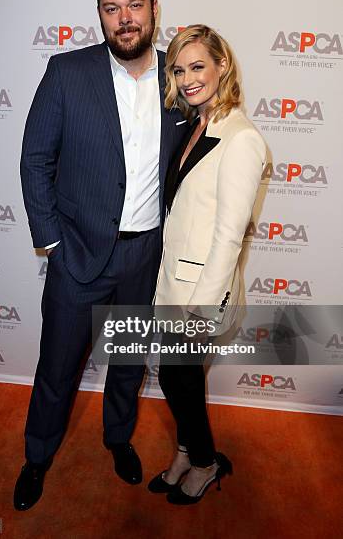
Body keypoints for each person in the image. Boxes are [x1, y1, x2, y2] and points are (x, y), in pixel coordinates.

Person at [14, 0, 186, 511]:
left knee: (129, 362)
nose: (124, 19)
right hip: (78, 254)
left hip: (144, 255)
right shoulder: (67, 72)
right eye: (111, 8)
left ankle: (118, 440)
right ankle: (36, 457)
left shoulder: (178, 79)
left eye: (134, 5)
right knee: (57, 366)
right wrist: (54, 242)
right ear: (100, 16)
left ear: (154, 8)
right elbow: (35, 158)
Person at [148, 25, 266, 505]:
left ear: (222, 66)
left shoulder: (241, 138)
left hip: (199, 292)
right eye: (179, 69)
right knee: (176, 378)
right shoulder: (196, 124)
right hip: (174, 281)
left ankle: (205, 462)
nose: (189, 77)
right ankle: (185, 452)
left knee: (179, 378)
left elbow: (229, 236)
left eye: (198, 66)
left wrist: (201, 309)